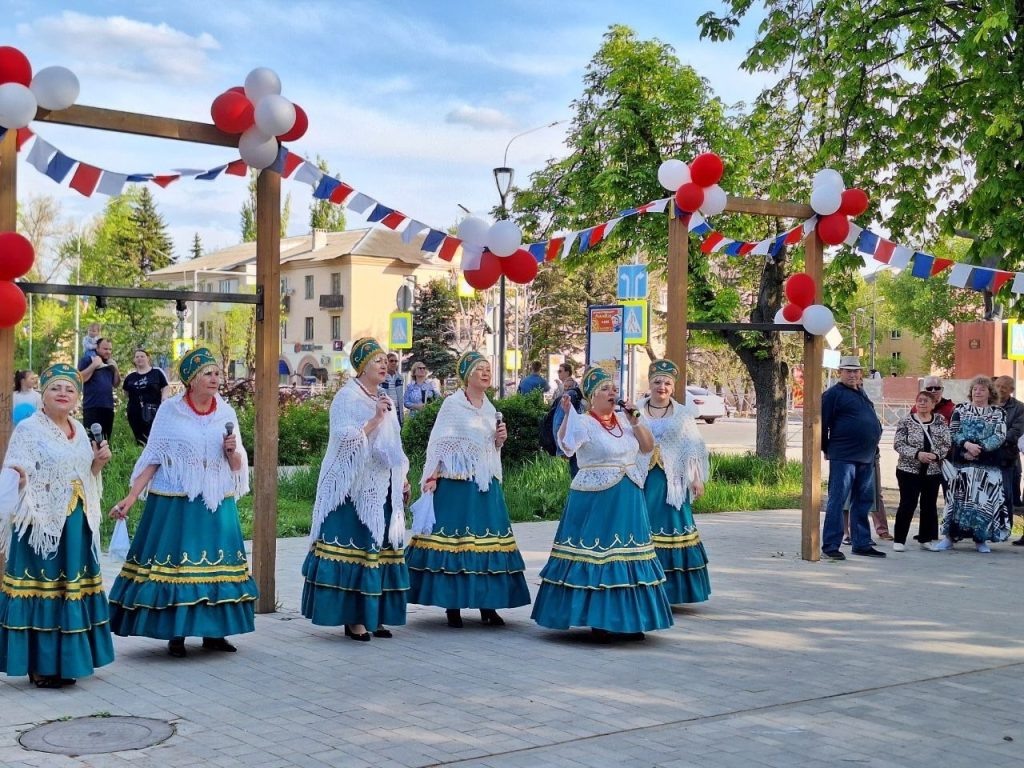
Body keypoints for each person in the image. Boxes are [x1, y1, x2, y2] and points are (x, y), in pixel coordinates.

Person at [107, 347, 257, 657]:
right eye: (208, 374)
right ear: (191, 379)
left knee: (218, 569)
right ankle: (176, 633)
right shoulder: (170, 412)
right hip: (176, 503)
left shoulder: (226, 413)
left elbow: (238, 465)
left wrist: (231, 451)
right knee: (176, 568)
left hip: (215, 502)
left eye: (217, 373)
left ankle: (215, 633)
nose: (215, 379)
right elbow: (153, 458)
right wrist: (132, 497)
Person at [531, 366, 672, 641]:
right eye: (606, 389)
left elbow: (647, 447)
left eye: (614, 388)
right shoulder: (584, 422)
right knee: (600, 554)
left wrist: (636, 420)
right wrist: (566, 417)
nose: (613, 392)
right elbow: (566, 446)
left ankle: (629, 620)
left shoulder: (623, 420)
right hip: (596, 498)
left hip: (628, 494)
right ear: (592, 395)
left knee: (629, 554)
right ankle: (599, 619)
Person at [0, 364, 114, 688]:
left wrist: (98, 463)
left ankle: (68, 662)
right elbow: (16, 467)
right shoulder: (29, 429)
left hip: (75, 526)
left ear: (77, 398)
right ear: (43, 395)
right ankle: (41, 665)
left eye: (70, 389)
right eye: (55, 388)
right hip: (41, 525)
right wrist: (19, 478)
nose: (63, 394)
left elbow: (83, 475)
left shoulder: (79, 429)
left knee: (69, 591)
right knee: (44, 592)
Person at [405, 351, 530, 628]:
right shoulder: (452, 405)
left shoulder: (489, 407)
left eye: (487, 369)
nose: (486, 373)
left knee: (489, 544)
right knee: (456, 545)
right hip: (456, 485)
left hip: (485, 486)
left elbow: (487, 448)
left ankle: (489, 604)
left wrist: (500, 441)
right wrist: (432, 476)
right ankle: (453, 605)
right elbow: (439, 442)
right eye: (479, 369)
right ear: (467, 376)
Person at [301, 338, 410, 641]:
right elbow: (344, 440)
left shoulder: (385, 395)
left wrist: (402, 477)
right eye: (376, 361)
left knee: (379, 552)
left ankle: (375, 616)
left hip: (382, 485)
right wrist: (375, 419)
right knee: (357, 551)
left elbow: (394, 444)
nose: (384, 366)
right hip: (353, 488)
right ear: (361, 366)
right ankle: (354, 620)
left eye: (385, 362)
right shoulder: (347, 398)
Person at [638, 360, 711, 604]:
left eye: (667, 383)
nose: (662, 386)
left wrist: (696, 479)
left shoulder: (682, 414)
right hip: (642, 480)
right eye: (657, 382)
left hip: (673, 482)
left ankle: (673, 590)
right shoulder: (636, 410)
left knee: (672, 526)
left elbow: (692, 448)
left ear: (673, 386)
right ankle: (644, 585)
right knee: (642, 526)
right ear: (649, 384)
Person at [929, 375, 1009, 553]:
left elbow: (999, 435)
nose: (977, 392)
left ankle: (980, 540)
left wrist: (979, 449)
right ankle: (949, 538)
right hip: (963, 464)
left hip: (987, 465)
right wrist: (967, 445)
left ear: (990, 393)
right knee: (957, 501)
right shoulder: (961, 409)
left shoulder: (998, 413)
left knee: (983, 502)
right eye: (975, 389)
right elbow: (954, 431)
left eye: (982, 389)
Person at [821, 355, 885, 559]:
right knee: (838, 499)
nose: (853, 374)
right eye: (848, 371)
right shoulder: (833, 394)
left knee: (863, 500)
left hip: (866, 456)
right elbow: (822, 425)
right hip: (844, 455)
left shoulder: (861, 392)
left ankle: (861, 542)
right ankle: (831, 545)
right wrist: (826, 449)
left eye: (856, 371)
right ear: (840, 372)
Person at [892, 390, 952, 551]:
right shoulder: (906, 421)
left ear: (933, 404)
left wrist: (935, 455)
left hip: (932, 471)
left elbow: (946, 443)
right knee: (907, 503)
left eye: (926, 401)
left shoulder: (940, 421)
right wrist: (917, 454)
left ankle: (926, 538)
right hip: (908, 470)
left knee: (929, 505)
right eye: (919, 400)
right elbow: (898, 444)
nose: (922, 403)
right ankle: (899, 539)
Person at [993, 376, 1024, 529]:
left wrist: (992, 440)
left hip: (1008, 458)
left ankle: (1005, 528)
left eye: (1004, 387)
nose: (999, 389)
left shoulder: (1020, 408)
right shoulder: (988, 404)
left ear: (1011, 390)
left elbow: (1016, 431)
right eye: (997, 385)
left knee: (1007, 494)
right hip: (987, 457)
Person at [122, 349, 171, 445]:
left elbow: (165, 386)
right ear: (134, 360)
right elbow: (125, 392)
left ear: (148, 358)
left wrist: (164, 399)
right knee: (139, 439)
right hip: (134, 411)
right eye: (137, 357)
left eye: (142, 356)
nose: (139, 358)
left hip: (153, 410)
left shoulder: (157, 372)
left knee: (154, 436)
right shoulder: (130, 377)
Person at [77, 337, 120, 442]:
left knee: (105, 440)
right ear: (97, 348)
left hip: (108, 407)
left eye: (110, 349)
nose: (108, 352)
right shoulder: (88, 359)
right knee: (92, 441)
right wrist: (94, 365)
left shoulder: (109, 363)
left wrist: (116, 369)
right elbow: (80, 378)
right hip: (92, 406)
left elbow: (116, 384)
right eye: (105, 349)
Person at [382, 352, 405, 425]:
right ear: (386, 362)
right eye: (391, 361)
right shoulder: (381, 377)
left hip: (397, 411)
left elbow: (400, 397)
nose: (394, 363)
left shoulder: (400, 378)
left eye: (396, 361)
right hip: (386, 411)